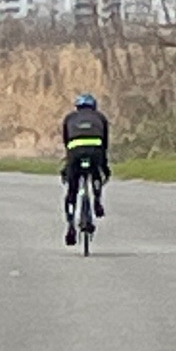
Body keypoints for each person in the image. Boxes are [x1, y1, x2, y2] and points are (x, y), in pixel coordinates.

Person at [61, 92, 111, 244]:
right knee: (96, 172)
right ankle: (96, 201)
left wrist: (67, 165)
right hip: (95, 151)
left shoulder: (69, 118)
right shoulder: (101, 118)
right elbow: (105, 143)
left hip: (75, 153)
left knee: (72, 190)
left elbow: (66, 141)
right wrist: (105, 167)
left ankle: (70, 226)